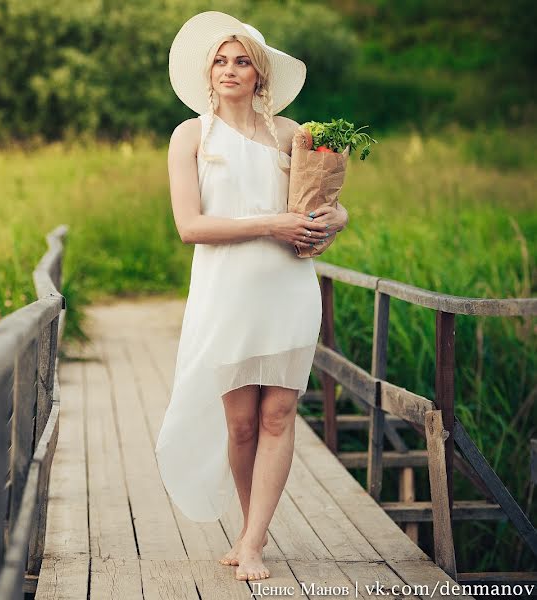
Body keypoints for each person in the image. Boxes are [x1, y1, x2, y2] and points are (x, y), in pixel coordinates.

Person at [154, 12, 349, 582]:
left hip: (287, 290)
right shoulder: (191, 136)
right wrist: (272, 223)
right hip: (225, 295)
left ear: (260, 75)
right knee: (240, 422)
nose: (231, 70)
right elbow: (190, 226)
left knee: (278, 413)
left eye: (242, 61)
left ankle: (254, 540)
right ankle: (247, 528)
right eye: (221, 60)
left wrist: (333, 217)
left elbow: (328, 202)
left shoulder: (294, 135)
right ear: (207, 73)